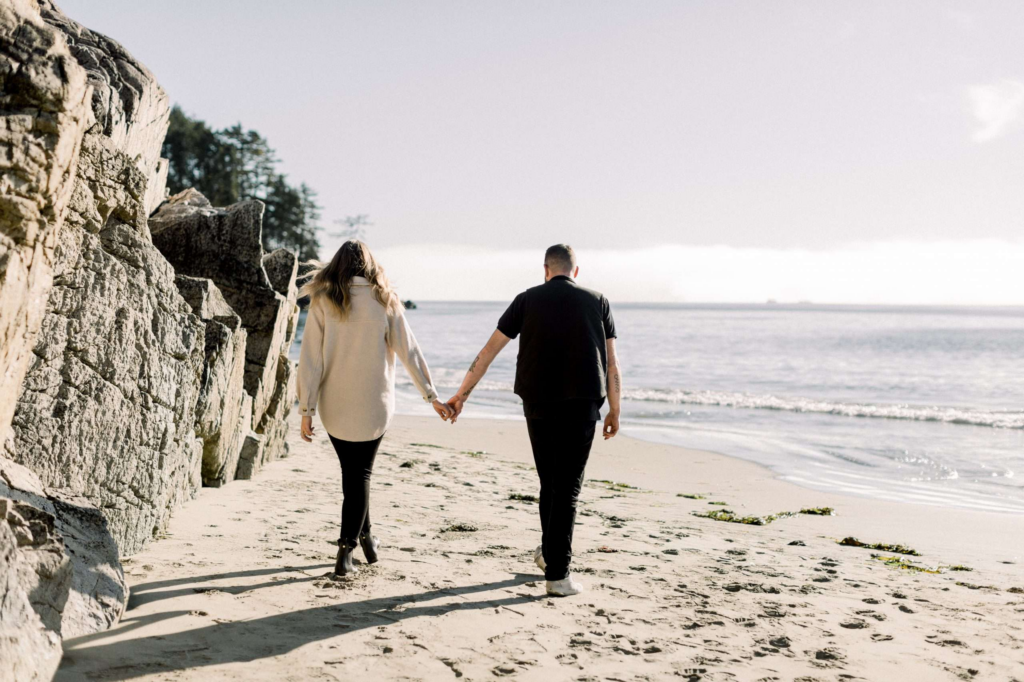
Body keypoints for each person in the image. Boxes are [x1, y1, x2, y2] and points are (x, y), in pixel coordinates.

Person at [446, 244, 622, 596]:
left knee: (550, 483)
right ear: (575, 271)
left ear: (545, 269)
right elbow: (612, 363)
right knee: (568, 488)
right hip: (583, 404)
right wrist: (615, 410)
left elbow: (488, 351)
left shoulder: (526, 300)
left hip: (537, 404)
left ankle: (548, 555)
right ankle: (558, 575)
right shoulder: (598, 301)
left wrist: (461, 395)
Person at [296, 240, 453, 576]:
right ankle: (346, 551)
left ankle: (367, 539)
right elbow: (409, 352)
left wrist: (306, 410)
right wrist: (432, 396)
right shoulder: (384, 300)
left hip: (334, 405)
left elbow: (310, 359)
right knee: (360, 475)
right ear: (369, 265)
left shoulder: (323, 300)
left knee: (353, 476)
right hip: (374, 404)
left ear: (336, 265)